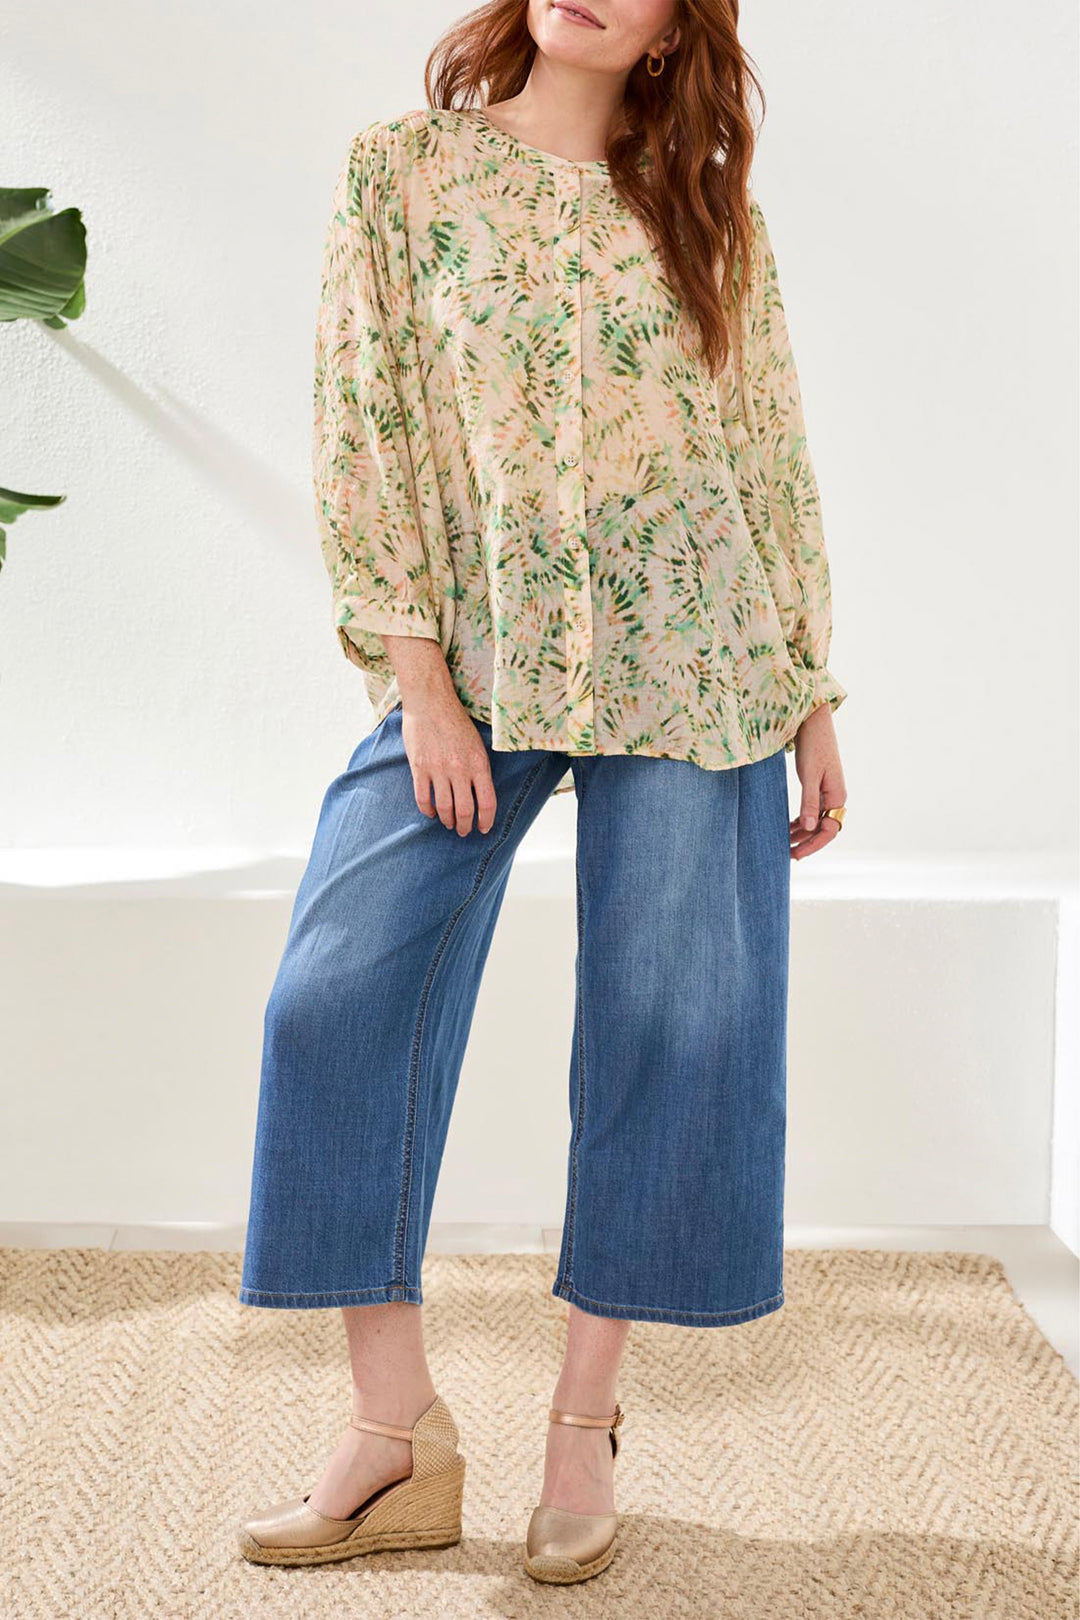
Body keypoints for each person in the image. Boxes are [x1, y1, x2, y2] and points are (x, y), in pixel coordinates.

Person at [236, 0, 848, 1586]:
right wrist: (420, 682)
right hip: (480, 661)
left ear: (672, 34)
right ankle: (393, 1431)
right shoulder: (405, 173)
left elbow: (766, 451)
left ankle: (583, 1429)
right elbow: (365, 421)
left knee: (670, 1027)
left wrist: (809, 690)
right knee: (331, 999)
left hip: (699, 662)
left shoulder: (707, 210)